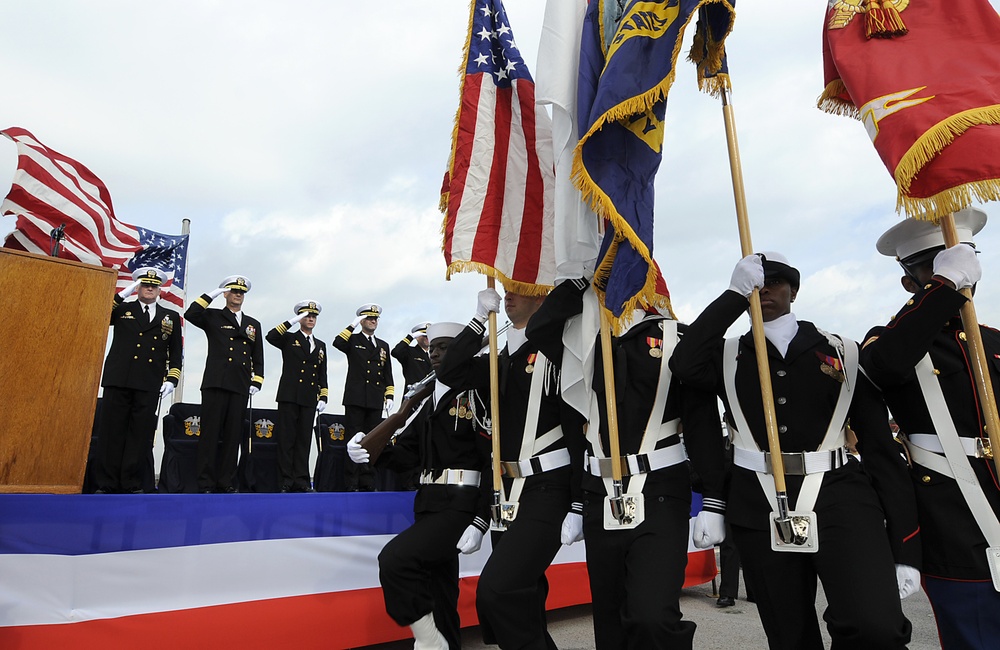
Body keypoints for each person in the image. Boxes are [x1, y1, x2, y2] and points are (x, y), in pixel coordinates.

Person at [670, 252, 919, 650]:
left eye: (774, 281)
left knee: (876, 626)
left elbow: (879, 448)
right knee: (789, 635)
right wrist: (733, 296)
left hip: (840, 496)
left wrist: (906, 547)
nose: (764, 289)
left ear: (794, 291)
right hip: (757, 500)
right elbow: (683, 363)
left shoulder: (843, 352)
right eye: (755, 284)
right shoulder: (726, 354)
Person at [525, 277, 727, 649]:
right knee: (610, 619)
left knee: (653, 617)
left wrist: (714, 497)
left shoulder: (677, 338)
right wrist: (582, 278)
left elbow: (702, 424)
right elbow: (539, 328)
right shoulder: (584, 339)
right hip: (598, 493)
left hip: (659, 490)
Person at [861, 208, 1000, 649]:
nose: (960, 268)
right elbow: (885, 365)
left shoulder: (994, 341)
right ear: (910, 282)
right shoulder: (889, 338)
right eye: (936, 264)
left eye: (963, 257)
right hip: (955, 516)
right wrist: (944, 287)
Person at [437, 286, 584, 650]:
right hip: (507, 493)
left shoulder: (558, 351)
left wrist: (579, 501)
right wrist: (477, 321)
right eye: (506, 289)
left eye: (520, 288)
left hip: (549, 485)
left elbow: (577, 431)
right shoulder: (498, 360)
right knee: (523, 599)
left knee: (498, 591)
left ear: (541, 295)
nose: (508, 295)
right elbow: (450, 371)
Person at [347, 322, 492, 650]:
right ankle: (446, 643)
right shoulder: (428, 402)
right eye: (433, 348)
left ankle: (428, 640)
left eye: (445, 347)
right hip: (428, 502)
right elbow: (406, 455)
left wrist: (481, 518)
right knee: (441, 593)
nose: (436, 353)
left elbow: (490, 460)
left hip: (460, 504)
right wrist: (370, 452)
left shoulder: (476, 394)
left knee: (395, 560)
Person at [94, 267, 182, 494]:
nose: (149, 288)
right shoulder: (123, 309)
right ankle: (107, 482)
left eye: (154, 286)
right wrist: (124, 293)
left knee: (140, 434)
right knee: (112, 432)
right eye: (145, 285)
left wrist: (172, 379)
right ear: (138, 288)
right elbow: (99, 313)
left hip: (148, 382)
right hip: (119, 379)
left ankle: (131, 482)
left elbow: (175, 352)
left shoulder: (170, 317)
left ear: (159, 290)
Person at [185, 275, 264, 493]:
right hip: (216, 382)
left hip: (240, 384)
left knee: (232, 436)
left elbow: (258, 355)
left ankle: (226, 481)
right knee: (210, 435)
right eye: (234, 291)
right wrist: (214, 293)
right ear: (226, 294)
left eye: (241, 292)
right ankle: (205, 482)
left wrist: (257, 379)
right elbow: (191, 314)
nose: (238, 294)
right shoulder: (213, 316)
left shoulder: (253, 324)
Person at [266, 300, 329, 493]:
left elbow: (322, 373)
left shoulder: (320, 345)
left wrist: (323, 396)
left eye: (313, 316)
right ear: (300, 318)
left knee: (303, 440)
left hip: (309, 398)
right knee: (287, 439)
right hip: (289, 395)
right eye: (307, 316)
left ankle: (301, 480)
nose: (311, 319)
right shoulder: (289, 338)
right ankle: (285, 480)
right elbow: (271, 336)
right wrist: (292, 321)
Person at [333, 303, 395, 491]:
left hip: (375, 399)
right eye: (369, 318)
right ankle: (351, 481)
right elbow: (338, 342)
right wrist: (353, 324)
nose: (373, 321)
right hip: (356, 397)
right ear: (362, 321)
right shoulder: (353, 340)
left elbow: (387, 373)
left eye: (375, 318)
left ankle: (367, 480)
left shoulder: (383, 345)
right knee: (354, 440)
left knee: (372, 440)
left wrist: (389, 395)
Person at [392, 321, 433, 389]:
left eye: (429, 335)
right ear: (417, 337)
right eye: (424, 336)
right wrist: (410, 337)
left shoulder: (434, 354)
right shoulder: (410, 352)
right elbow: (396, 352)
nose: (427, 338)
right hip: (414, 393)